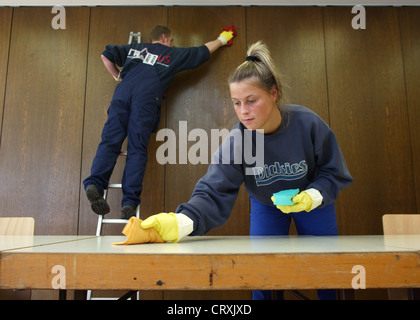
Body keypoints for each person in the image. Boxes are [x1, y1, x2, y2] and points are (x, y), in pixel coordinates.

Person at [115, 41, 353, 300]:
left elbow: (333, 171)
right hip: (266, 205)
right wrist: (179, 222)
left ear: (273, 94)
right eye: (237, 103)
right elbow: (213, 191)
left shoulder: (307, 123)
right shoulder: (238, 141)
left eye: (251, 101)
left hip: (314, 203)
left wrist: (314, 196)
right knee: (262, 276)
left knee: (329, 272)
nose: (243, 112)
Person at [83, 25, 237, 219]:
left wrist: (117, 75)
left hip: (121, 95)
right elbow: (202, 52)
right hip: (145, 101)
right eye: (171, 40)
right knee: (137, 150)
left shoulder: (133, 50)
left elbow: (105, 56)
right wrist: (222, 39)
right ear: (164, 38)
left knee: (109, 142)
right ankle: (129, 203)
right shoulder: (170, 54)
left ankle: (94, 183)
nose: (172, 43)